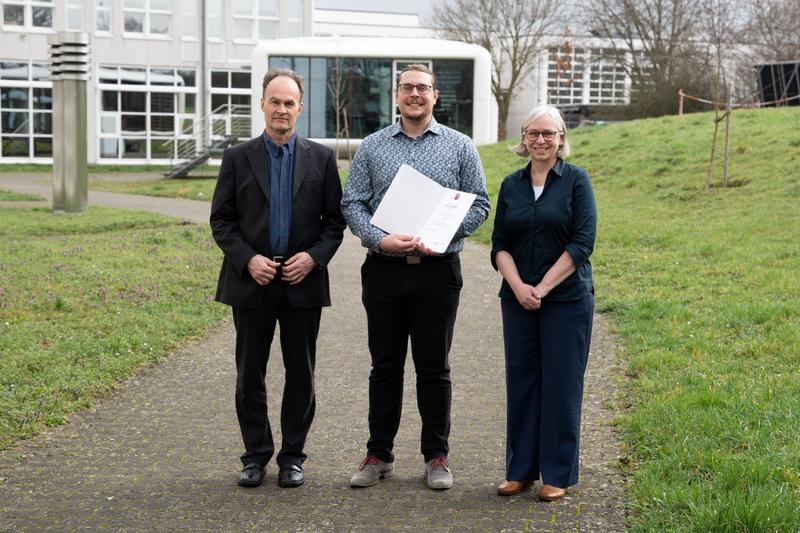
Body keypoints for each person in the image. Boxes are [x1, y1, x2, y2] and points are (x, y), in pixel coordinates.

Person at [341, 64, 490, 491]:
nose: (415, 95)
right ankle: (379, 455)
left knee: (434, 367)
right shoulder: (371, 147)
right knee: (384, 366)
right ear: (397, 94)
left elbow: (479, 204)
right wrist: (380, 240)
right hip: (384, 272)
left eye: (423, 88)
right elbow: (353, 204)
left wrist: (442, 237)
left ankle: (436, 456)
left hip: (437, 272)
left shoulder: (461, 147)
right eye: (408, 88)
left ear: (435, 96)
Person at [210, 68, 345, 489]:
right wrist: (248, 259)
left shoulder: (321, 159)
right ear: (262, 105)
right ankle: (255, 456)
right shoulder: (237, 158)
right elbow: (222, 221)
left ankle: (292, 457)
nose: (282, 109)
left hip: (302, 282)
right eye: (275, 101)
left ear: (300, 109)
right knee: (250, 373)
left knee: (300, 372)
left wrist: (314, 258)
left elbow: (335, 224)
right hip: (252, 283)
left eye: (290, 102)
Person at [490, 104, 596, 501]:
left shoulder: (576, 182)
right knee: (522, 383)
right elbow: (500, 244)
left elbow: (582, 243)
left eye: (548, 133)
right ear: (523, 138)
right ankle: (520, 470)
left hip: (567, 300)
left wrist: (543, 288)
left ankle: (557, 473)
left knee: (561, 385)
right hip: (516, 298)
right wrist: (519, 287)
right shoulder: (511, 185)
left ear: (561, 139)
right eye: (533, 133)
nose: (540, 140)